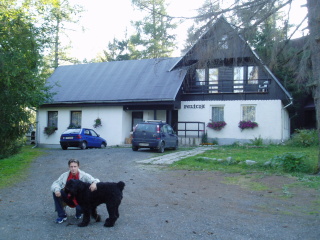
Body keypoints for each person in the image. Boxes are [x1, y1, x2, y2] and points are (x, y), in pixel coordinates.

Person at [51, 159, 100, 223]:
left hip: (80, 199)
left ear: (78, 167)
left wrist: (94, 183)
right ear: (69, 167)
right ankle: (62, 215)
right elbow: (55, 184)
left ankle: (79, 212)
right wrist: (57, 190)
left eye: (75, 166)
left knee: (81, 209)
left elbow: (96, 180)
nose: (73, 168)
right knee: (55, 192)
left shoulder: (84, 175)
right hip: (69, 198)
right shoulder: (64, 175)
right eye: (71, 166)